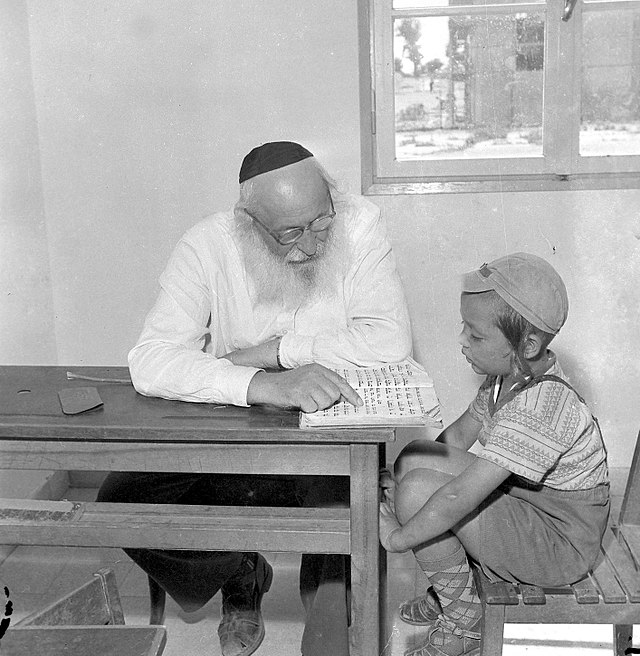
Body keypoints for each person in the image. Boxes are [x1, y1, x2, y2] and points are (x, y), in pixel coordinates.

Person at [98, 140, 412, 656]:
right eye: (290, 233)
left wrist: (277, 352)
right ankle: (241, 572)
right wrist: (258, 384)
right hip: (235, 443)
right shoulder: (207, 244)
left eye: (320, 223)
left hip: (326, 448)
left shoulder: (359, 224)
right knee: (120, 504)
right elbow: (150, 358)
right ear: (248, 223)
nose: (311, 245)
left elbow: (389, 342)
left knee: (335, 587)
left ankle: (326, 602)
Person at [379, 253, 610, 656]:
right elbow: (452, 442)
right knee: (415, 458)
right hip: (529, 505)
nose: (463, 341)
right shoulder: (506, 379)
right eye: (464, 328)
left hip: (559, 543)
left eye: (477, 335)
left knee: (419, 493)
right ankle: (456, 586)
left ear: (529, 344)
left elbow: (456, 497)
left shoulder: (542, 406)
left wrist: (398, 537)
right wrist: (396, 475)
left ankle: (464, 622)